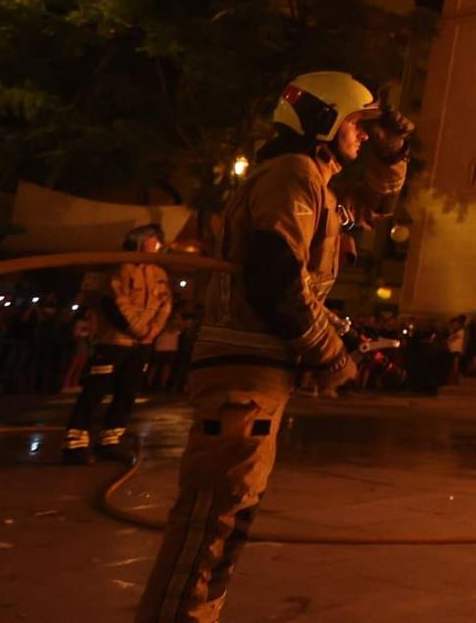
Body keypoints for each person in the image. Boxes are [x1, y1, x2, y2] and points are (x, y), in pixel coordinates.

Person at [137, 71, 411, 622]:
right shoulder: (292, 174)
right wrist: (328, 353)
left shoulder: (312, 179)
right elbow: (275, 276)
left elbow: (365, 210)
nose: (361, 134)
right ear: (324, 120)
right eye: (357, 124)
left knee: (229, 518)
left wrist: (392, 153)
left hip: (258, 378)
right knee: (213, 519)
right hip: (243, 380)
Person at [64, 223, 173, 463]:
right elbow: (113, 304)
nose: (156, 246)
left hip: (143, 343)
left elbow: (165, 304)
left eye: (158, 242)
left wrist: (153, 331)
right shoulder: (120, 269)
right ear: (138, 242)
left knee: (128, 392)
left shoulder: (159, 274)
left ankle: (110, 440)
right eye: (151, 241)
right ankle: (75, 443)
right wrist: (136, 329)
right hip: (114, 340)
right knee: (96, 390)